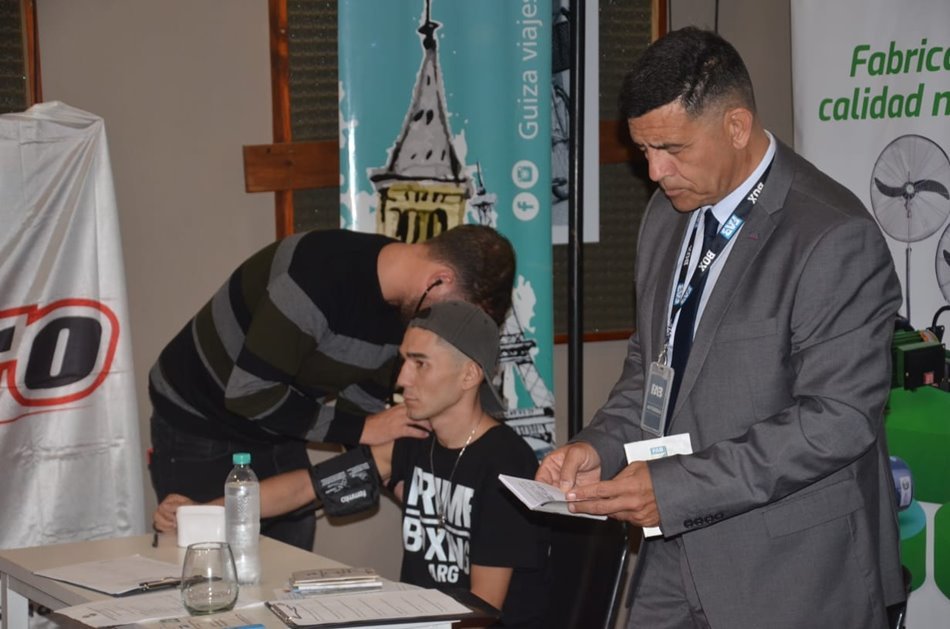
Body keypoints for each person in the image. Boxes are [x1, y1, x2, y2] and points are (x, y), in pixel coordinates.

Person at [536, 27, 905, 628]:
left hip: (792, 571)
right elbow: (652, 368)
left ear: (736, 126)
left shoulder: (833, 235)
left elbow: (837, 420)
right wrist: (598, 447)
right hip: (670, 556)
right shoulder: (665, 216)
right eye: (644, 149)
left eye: (672, 148)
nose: (655, 171)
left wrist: (675, 490)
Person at [155, 301, 549, 628]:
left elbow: (482, 609)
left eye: (420, 363)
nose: (402, 379)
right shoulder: (416, 442)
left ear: (469, 375)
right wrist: (202, 511)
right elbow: (308, 487)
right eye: (403, 362)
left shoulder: (504, 462)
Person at [149, 225, 515, 551]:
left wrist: (400, 478)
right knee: (206, 558)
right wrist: (364, 429)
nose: (450, 329)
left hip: (280, 421)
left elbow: (356, 413)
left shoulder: (407, 313)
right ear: (440, 280)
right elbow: (248, 393)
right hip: (201, 421)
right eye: (458, 313)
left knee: (286, 557)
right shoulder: (315, 276)